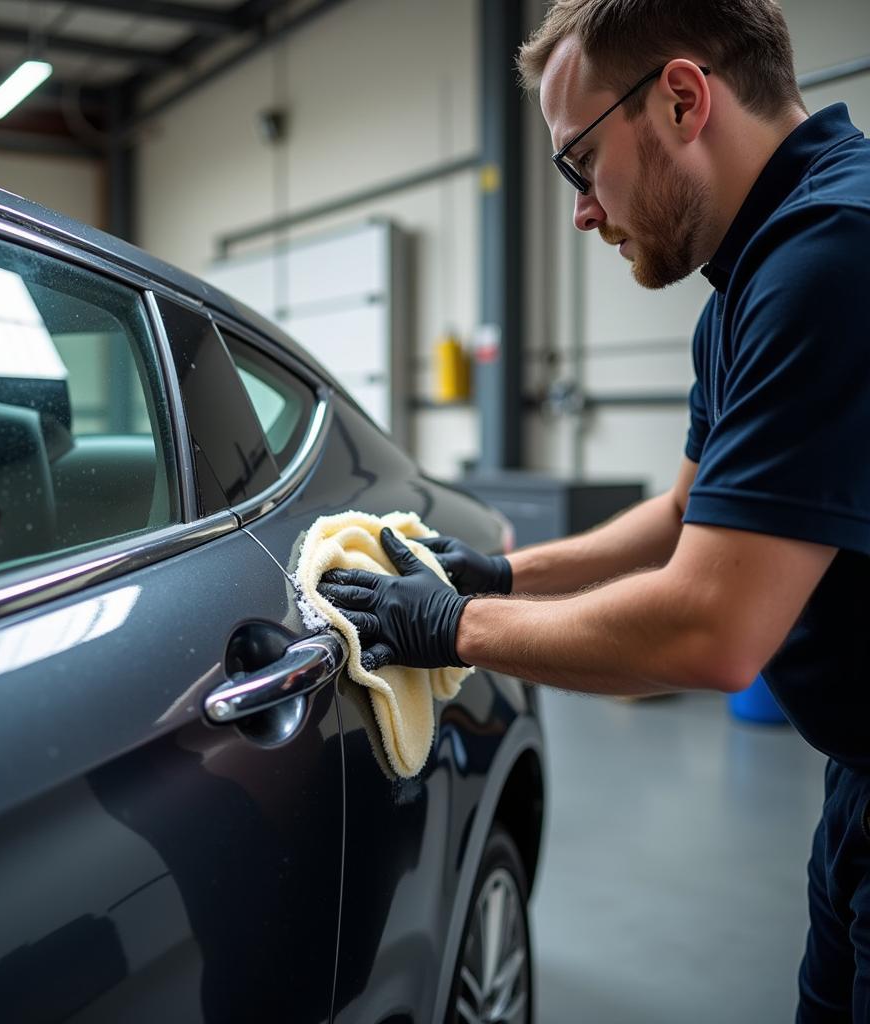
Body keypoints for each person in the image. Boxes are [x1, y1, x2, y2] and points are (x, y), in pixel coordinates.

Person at [317, 1, 870, 1019]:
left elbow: (711, 630)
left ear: (680, 98)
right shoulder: (748, 283)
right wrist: (499, 573)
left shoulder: (833, 255)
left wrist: (452, 628)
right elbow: (681, 514)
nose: (577, 210)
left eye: (579, 163)